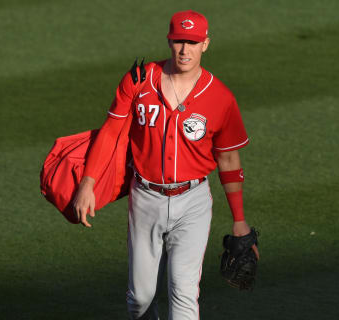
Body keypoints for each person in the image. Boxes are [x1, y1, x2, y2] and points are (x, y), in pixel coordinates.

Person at [73, 10, 259, 319]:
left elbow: (228, 158)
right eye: (179, 41)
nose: (185, 50)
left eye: (193, 42)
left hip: (193, 202)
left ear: (206, 45)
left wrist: (239, 219)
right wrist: (88, 183)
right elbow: (110, 132)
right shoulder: (139, 81)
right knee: (140, 299)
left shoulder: (220, 97)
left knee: (183, 292)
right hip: (145, 199)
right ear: (169, 41)